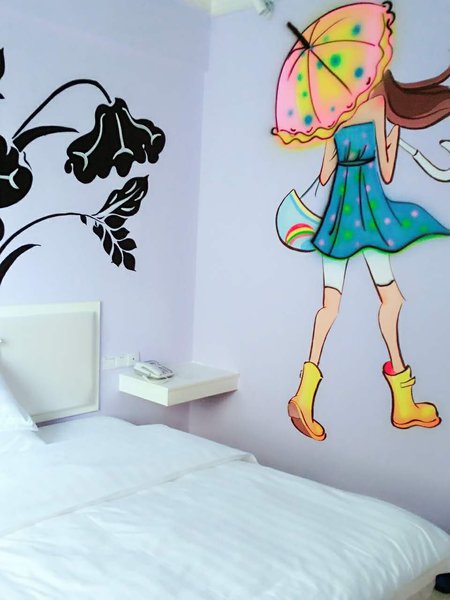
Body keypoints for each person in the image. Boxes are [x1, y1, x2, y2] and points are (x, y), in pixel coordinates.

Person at [287, 67, 450, 441]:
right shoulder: (376, 108)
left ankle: (304, 395)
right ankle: (403, 403)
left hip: (337, 221)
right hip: (369, 217)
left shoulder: (334, 118)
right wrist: (392, 137)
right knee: (392, 299)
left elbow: (325, 175)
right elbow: (386, 173)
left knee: (329, 306)